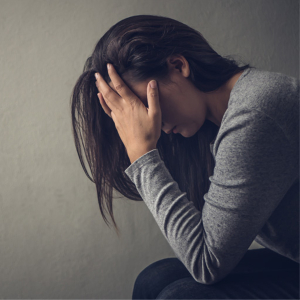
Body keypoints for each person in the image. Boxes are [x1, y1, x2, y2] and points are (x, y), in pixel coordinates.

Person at [70, 15, 299, 299]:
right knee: (155, 279)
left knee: (180, 296)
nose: (151, 123)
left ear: (178, 66)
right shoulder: (217, 124)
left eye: (145, 105)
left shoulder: (255, 112)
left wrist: (142, 154)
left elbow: (206, 264)